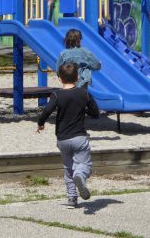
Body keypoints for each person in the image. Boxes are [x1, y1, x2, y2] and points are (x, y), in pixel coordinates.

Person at [37, 63, 100, 209]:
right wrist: (86, 111)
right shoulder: (84, 94)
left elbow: (46, 111)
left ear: (59, 78)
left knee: (68, 168)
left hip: (62, 139)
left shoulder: (56, 95)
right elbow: (95, 113)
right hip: (79, 137)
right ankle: (80, 175)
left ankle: (72, 198)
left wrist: (40, 123)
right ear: (78, 77)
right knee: (84, 165)